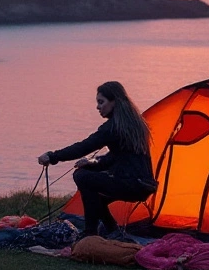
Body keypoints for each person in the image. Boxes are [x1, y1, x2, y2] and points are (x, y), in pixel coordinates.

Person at [38, 81, 157, 238]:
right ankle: (112, 231)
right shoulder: (134, 124)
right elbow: (117, 157)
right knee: (93, 193)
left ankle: (91, 233)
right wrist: (94, 163)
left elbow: (84, 147)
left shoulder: (112, 127)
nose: (98, 107)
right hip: (143, 184)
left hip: (133, 183)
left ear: (114, 101)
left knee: (81, 176)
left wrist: (52, 156)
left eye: (101, 102)